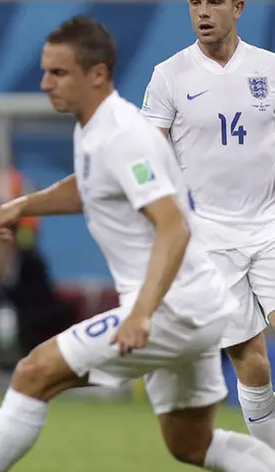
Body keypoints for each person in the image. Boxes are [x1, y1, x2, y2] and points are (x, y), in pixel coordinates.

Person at [0, 15, 275, 472]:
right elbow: (91, 186)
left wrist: (142, 313)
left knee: (33, 373)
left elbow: (173, 226)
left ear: (97, 74)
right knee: (191, 445)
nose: (45, 83)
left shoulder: (123, 134)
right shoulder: (96, 129)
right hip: (196, 308)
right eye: (45, 71)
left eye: (59, 73)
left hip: (173, 309)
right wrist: (20, 206)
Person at [141, 0, 275, 446]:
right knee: (251, 360)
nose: (202, 10)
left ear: (237, 7)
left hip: (270, 224)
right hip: (211, 236)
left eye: (214, 1)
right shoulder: (170, 75)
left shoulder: (269, 69)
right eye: (194, 1)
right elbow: (145, 154)